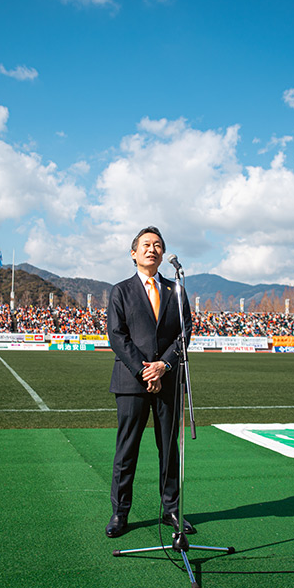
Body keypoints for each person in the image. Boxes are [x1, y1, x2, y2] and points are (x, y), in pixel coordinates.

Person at [105, 226, 193, 539]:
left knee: (169, 449)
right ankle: (120, 512)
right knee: (127, 449)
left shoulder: (176, 290)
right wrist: (145, 371)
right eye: (145, 244)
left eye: (157, 245)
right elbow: (117, 335)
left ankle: (171, 509)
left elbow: (185, 332)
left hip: (168, 380)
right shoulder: (121, 291)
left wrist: (164, 365)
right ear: (134, 253)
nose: (152, 249)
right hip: (131, 381)